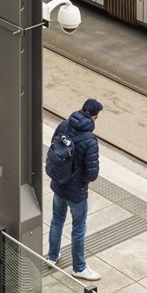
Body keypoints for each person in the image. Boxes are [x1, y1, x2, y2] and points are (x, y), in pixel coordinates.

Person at [44, 98, 103, 283]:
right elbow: (92, 173)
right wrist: (82, 179)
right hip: (77, 191)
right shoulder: (90, 141)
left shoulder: (64, 125)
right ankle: (79, 268)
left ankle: (52, 256)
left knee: (57, 220)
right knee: (78, 229)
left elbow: (53, 148)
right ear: (95, 116)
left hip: (59, 184)